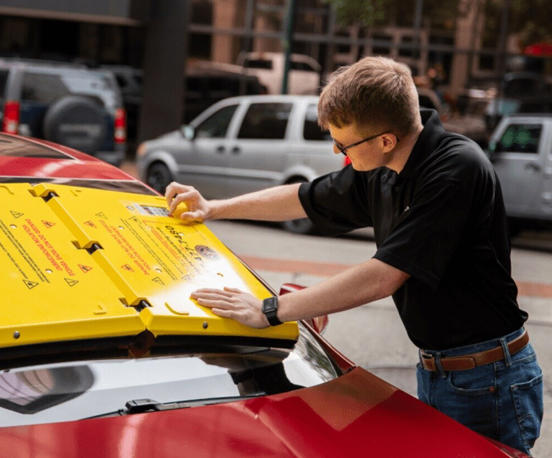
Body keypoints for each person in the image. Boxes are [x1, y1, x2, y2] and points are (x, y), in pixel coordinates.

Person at [165, 56, 543, 454]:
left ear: (385, 140)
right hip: (441, 370)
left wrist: (271, 310)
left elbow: (384, 276)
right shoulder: (384, 167)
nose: (335, 150)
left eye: (343, 144)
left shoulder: (454, 171)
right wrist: (213, 208)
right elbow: (305, 198)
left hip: (490, 380)